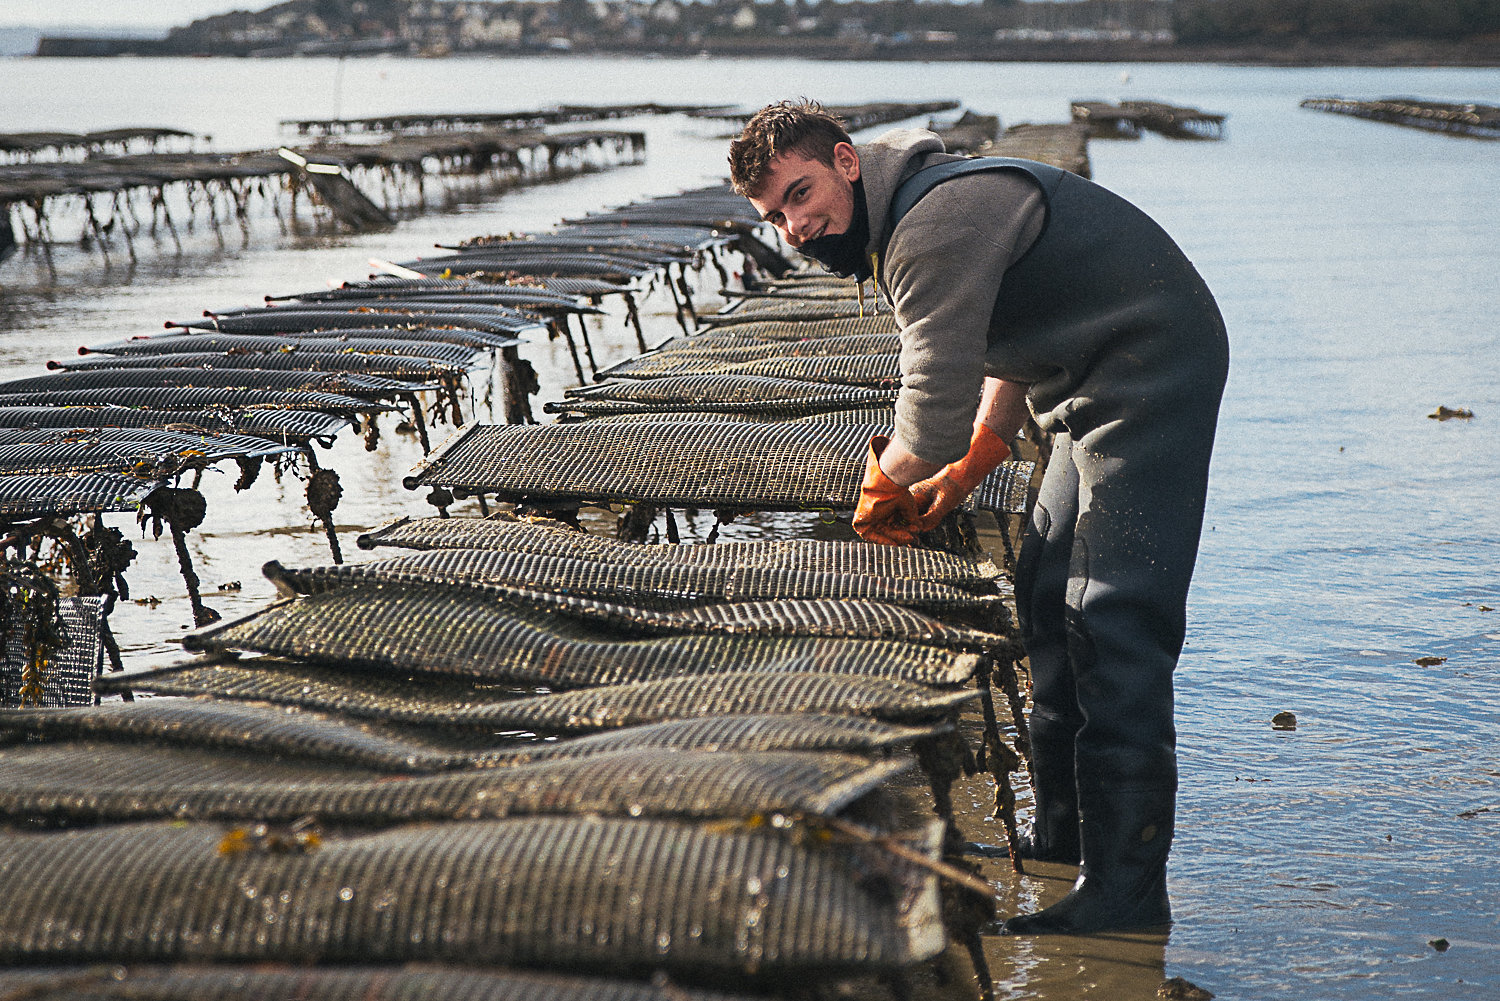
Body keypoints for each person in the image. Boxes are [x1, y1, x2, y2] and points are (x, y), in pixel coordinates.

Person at [729, 100, 1228, 935]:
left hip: (1149, 367)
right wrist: (977, 465)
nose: (793, 226)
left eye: (800, 194)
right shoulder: (917, 213)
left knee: (1111, 616)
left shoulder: (933, 220)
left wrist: (880, 490)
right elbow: (1012, 333)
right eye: (774, 214)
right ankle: (1067, 840)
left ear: (848, 164)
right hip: (1084, 376)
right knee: (1042, 591)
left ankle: (1128, 894)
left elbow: (930, 409)